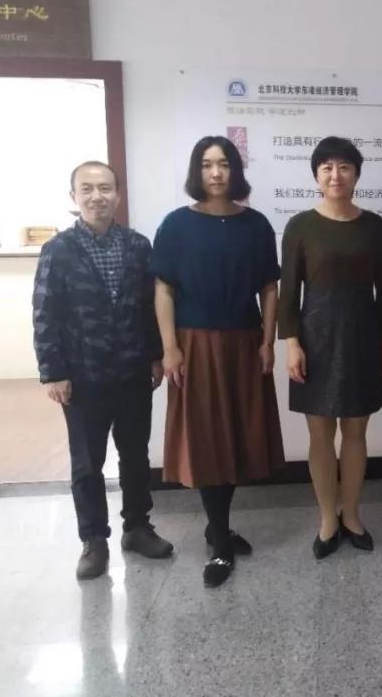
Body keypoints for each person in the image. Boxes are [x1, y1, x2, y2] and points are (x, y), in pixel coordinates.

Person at [153, 136, 285, 587]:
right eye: (207, 164)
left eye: (224, 164)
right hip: (195, 343)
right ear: (197, 170)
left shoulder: (256, 224)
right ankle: (219, 539)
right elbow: (163, 289)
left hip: (243, 341)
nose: (215, 172)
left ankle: (218, 526)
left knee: (237, 436)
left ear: (235, 170)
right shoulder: (176, 224)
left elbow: (270, 288)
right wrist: (169, 347)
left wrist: (268, 340)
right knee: (208, 437)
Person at [33, 161, 173, 580]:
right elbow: (45, 312)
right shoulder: (58, 250)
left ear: (117, 194)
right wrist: (53, 371)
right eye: (88, 189)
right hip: (82, 377)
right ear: (74, 197)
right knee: (87, 463)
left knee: (135, 455)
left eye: (105, 188)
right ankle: (93, 540)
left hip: (132, 372)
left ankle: (137, 527)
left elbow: (150, 308)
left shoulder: (137, 245)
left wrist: (155, 355)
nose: (97, 196)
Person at [280, 137, 382, 560]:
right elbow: (289, 290)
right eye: (326, 167)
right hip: (315, 340)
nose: (335, 175)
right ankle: (328, 518)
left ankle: (353, 515)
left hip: (362, 336)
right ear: (316, 175)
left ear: (356, 174)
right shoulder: (300, 226)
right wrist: (292, 343)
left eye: (344, 167)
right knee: (320, 433)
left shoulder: (373, 225)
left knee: (356, 431)